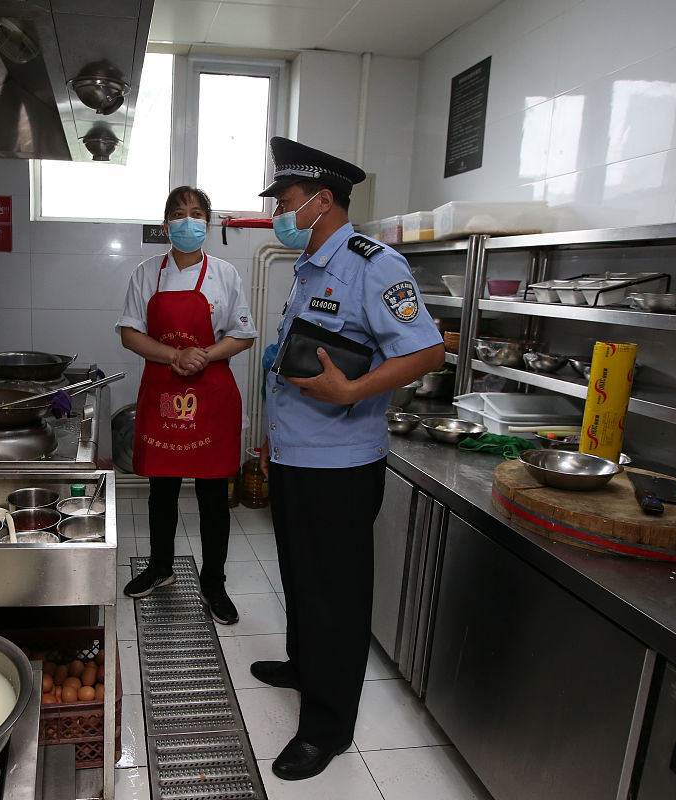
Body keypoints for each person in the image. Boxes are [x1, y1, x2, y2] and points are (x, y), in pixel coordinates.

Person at [251, 138, 445, 780]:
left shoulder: (374, 264)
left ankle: (328, 727)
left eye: (284, 199)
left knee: (335, 593)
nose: (278, 208)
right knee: (301, 574)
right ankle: (306, 668)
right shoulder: (309, 264)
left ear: (321, 199)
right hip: (296, 454)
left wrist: (353, 390)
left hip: (340, 464)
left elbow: (426, 352)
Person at [115, 186, 258, 625]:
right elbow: (129, 333)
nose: (188, 221)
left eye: (197, 214)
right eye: (179, 214)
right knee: (162, 489)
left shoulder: (225, 274)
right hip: (163, 396)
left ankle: (213, 584)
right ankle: (161, 568)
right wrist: (174, 356)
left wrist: (205, 355)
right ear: (166, 225)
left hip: (211, 396)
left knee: (214, 497)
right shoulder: (146, 274)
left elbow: (244, 333)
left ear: (208, 225)